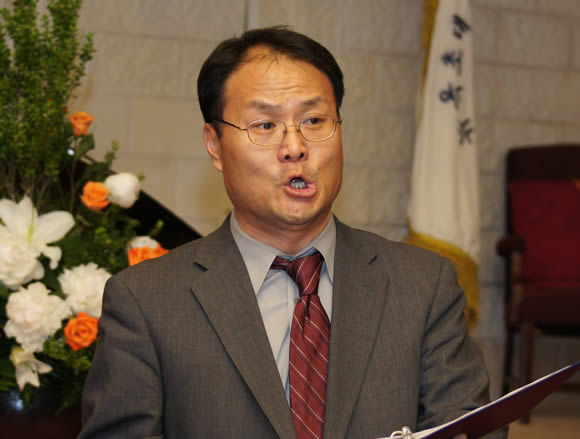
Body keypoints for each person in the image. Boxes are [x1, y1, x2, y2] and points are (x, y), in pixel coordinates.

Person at [79, 26, 492, 439]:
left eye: (313, 120)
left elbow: (472, 428)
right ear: (215, 145)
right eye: (265, 125)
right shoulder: (146, 302)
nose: (295, 147)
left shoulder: (423, 286)